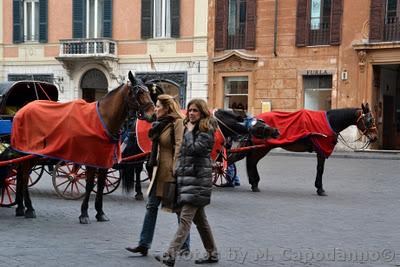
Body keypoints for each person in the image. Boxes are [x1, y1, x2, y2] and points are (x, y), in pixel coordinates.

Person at [155, 99, 219, 266]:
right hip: (188, 181)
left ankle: (170, 254)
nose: (191, 113)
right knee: (201, 221)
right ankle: (213, 254)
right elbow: (184, 153)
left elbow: (196, 150)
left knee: (185, 220)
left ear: (202, 113)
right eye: (190, 110)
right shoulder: (190, 128)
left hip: (197, 182)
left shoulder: (207, 130)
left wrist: (189, 133)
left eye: (195, 111)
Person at [125, 94, 190, 256]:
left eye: (159, 106)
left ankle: (184, 245)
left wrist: (176, 171)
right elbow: (146, 117)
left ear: (167, 108)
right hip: (157, 172)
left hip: (170, 173)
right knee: (151, 206)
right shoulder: (159, 123)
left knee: (177, 209)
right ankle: (144, 244)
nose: (156, 108)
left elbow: (179, 146)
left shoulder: (177, 122)